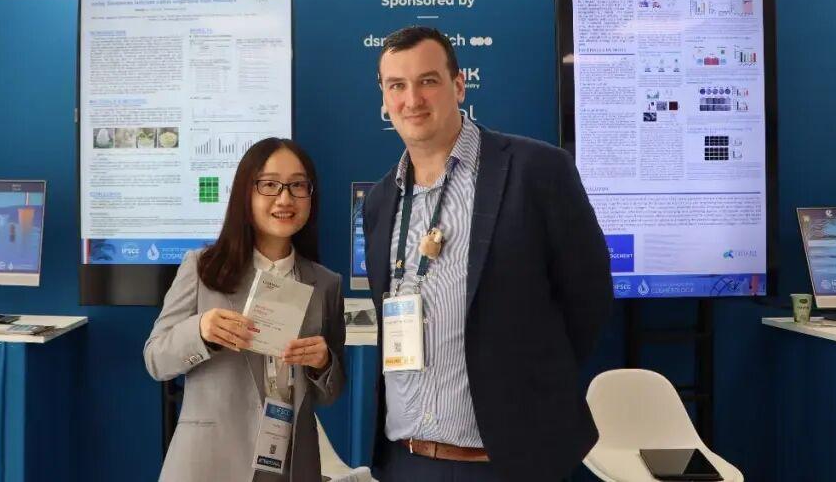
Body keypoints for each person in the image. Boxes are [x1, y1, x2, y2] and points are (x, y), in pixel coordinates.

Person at [363, 26, 612, 482]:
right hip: (406, 460)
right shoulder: (381, 202)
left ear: (459, 85)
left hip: (509, 463)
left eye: (428, 81)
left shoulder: (537, 171)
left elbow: (589, 297)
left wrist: (529, 380)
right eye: (397, 85)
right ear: (384, 97)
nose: (412, 99)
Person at [144, 137, 345, 482]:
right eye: (269, 185)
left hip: (289, 464)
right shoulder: (203, 268)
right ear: (245, 194)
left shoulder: (326, 284)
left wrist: (323, 364)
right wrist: (200, 331)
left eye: (298, 185)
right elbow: (155, 359)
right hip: (209, 463)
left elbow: (331, 392)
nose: (285, 198)